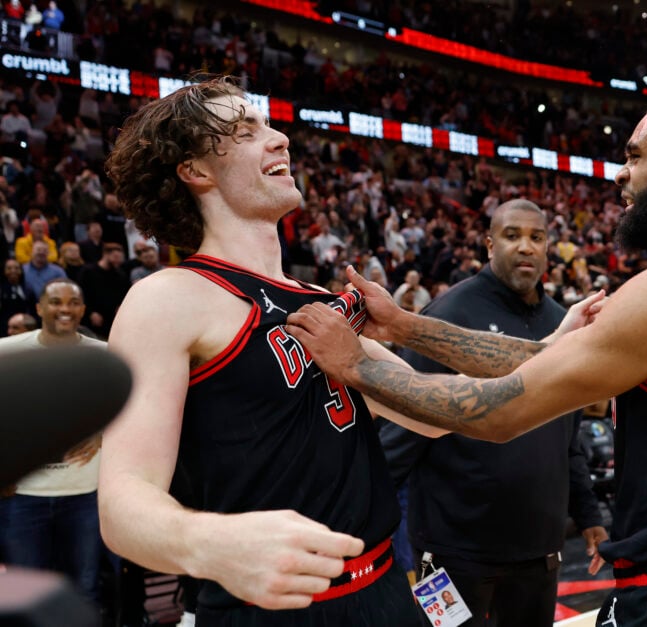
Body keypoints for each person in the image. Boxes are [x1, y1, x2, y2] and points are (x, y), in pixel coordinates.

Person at [286, 10, 647, 625]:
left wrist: (354, 365)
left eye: (636, 156)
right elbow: (542, 363)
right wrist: (406, 328)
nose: (622, 174)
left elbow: (504, 411)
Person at [95, 76, 596, 626]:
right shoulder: (166, 298)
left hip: (382, 593)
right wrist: (207, 542)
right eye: (244, 131)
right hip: (272, 606)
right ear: (195, 171)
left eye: (267, 122)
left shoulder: (322, 303)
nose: (279, 137)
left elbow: (434, 410)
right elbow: (123, 502)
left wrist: (552, 347)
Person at [380, 199, 607, 627]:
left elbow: (568, 436)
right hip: (451, 551)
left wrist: (589, 514)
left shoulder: (565, 324)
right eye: (512, 235)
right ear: (488, 245)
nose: (526, 247)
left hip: (539, 550)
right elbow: (400, 431)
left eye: (536, 238)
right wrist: (362, 521)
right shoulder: (448, 316)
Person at [0, 279, 105, 602]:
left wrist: (103, 434)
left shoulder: (106, 355)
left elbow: (138, 408)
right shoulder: (7, 353)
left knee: (85, 588)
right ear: (39, 308)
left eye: (73, 303)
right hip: (23, 497)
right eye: (56, 301)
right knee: (25, 594)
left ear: (83, 310)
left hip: (85, 495)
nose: (65, 309)